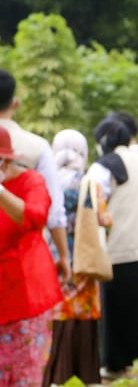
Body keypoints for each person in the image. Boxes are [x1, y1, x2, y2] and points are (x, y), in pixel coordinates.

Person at [88, 116, 138, 376]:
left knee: (117, 310)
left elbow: (93, 205)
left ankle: (115, 363)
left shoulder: (106, 165)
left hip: (119, 247)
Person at [0, 125, 60, 387]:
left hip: (26, 297)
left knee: (23, 377)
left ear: (6, 162)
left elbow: (35, 218)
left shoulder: (31, 183)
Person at [42, 129, 103, 387]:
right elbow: (103, 218)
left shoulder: (47, 180)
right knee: (83, 314)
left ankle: (56, 376)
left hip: (52, 257)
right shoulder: (88, 183)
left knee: (58, 313)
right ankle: (86, 376)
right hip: (83, 257)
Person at [0, 70, 70, 287]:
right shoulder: (37, 147)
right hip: (22, 264)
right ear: (15, 103)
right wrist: (64, 255)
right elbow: (54, 211)